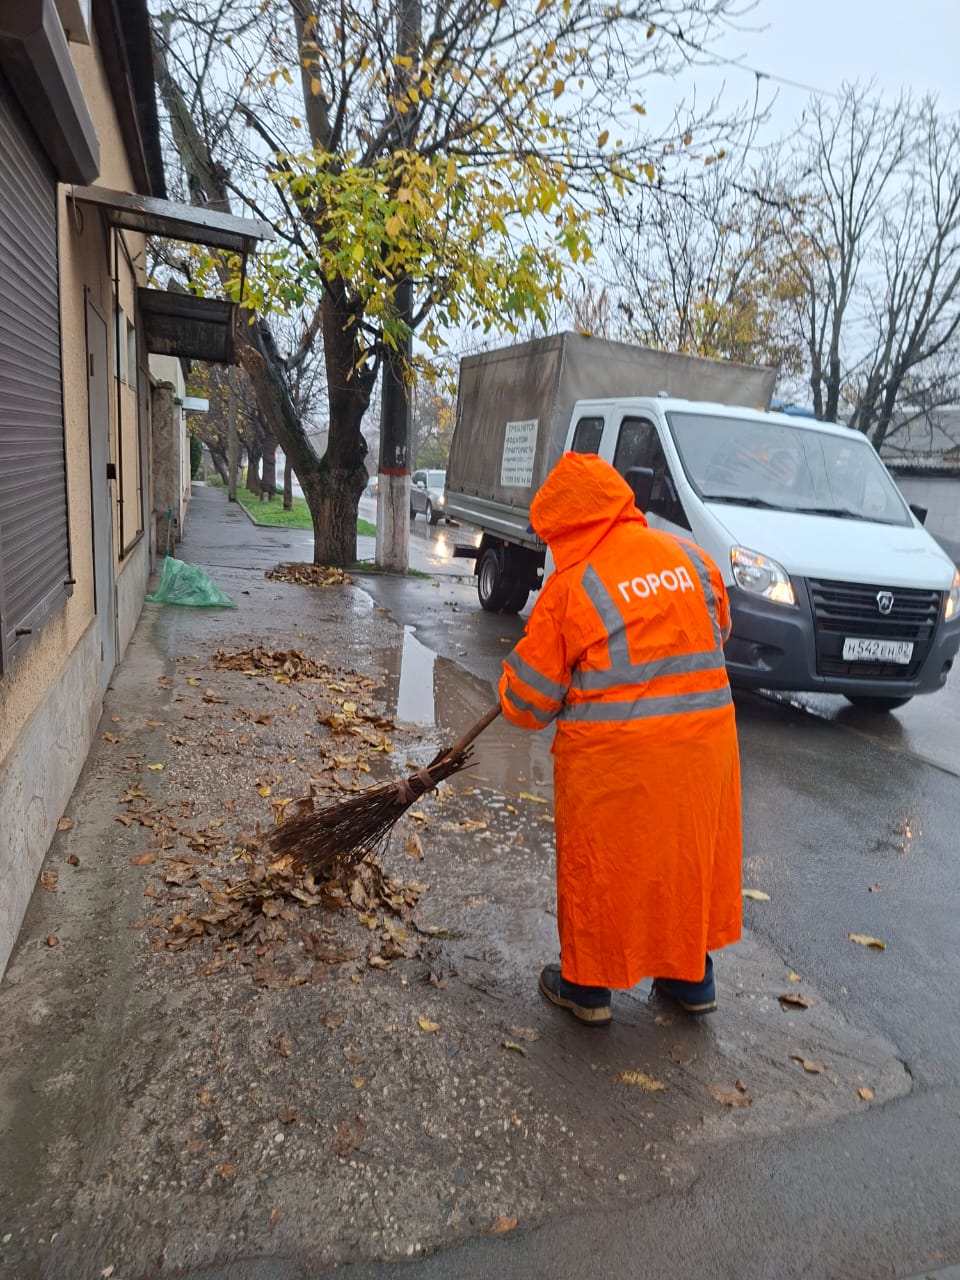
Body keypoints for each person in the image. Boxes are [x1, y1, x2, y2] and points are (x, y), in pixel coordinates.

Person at [498, 452, 742, 1027]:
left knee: (604, 867)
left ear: (564, 524)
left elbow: (529, 704)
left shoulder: (570, 587)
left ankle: (586, 988)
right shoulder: (692, 559)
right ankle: (691, 978)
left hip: (614, 762)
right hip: (704, 748)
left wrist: (512, 680)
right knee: (682, 860)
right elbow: (718, 631)